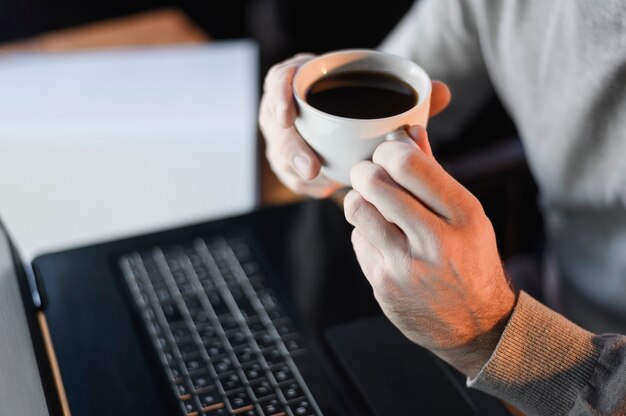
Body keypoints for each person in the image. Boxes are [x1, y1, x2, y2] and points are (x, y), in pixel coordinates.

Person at [259, 0, 626, 415]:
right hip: (543, 301)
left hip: (563, 369)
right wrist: (303, 129)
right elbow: (395, 82)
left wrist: (490, 333)